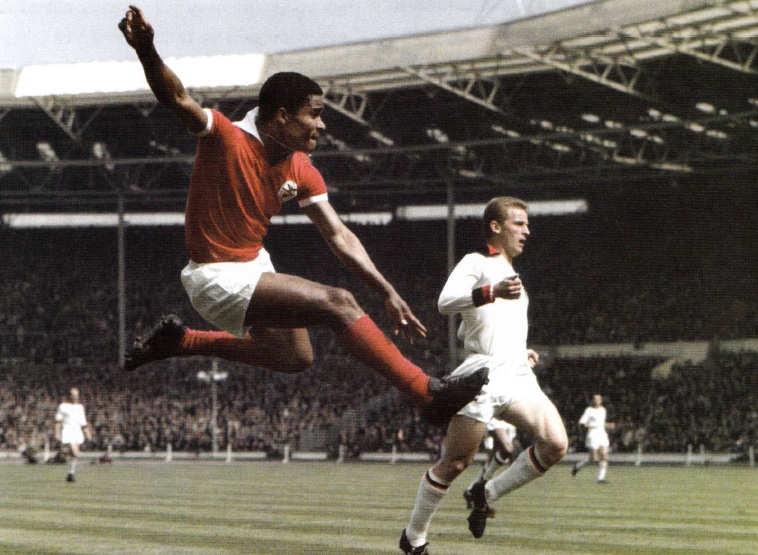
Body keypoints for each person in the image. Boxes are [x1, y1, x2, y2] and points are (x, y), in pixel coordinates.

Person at [117, 6, 485, 426]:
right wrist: (146, 49)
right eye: (314, 113)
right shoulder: (225, 137)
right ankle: (425, 393)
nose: (322, 125)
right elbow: (178, 98)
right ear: (281, 116)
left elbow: (339, 236)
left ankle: (183, 341)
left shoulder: (300, 167)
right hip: (215, 276)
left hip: (253, 266)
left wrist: (386, 290)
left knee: (296, 357)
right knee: (339, 303)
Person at [399, 196, 568, 555]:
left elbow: (495, 326)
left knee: (555, 444)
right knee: (456, 463)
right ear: (496, 226)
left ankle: (485, 493)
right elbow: (445, 303)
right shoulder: (476, 262)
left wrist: (522, 351)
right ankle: (413, 537)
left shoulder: (516, 280)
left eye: (527, 224)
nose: (527, 231)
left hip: (517, 373)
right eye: (519, 223)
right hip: (483, 374)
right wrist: (491, 291)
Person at [462, 418, 521, 510]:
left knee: (501, 453)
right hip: (494, 415)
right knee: (507, 448)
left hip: (507, 417)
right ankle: (481, 486)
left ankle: (471, 490)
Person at [572, 393, 615, 483]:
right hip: (593, 434)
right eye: (595, 399)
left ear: (601, 401)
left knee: (604, 455)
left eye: (598, 399)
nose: (597, 401)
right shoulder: (589, 410)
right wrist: (589, 426)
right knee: (593, 458)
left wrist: (608, 425)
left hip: (602, 434)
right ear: (592, 400)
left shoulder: (603, 410)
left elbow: (601, 423)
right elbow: (581, 423)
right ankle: (578, 466)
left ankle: (601, 478)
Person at [54, 387, 92, 482]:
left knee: (75, 454)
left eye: (76, 395)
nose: (75, 397)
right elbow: (58, 420)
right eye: (73, 395)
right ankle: (61, 453)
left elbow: (83, 422)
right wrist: (57, 432)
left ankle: (70, 473)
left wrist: (87, 433)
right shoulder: (63, 406)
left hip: (77, 431)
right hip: (68, 430)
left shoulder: (80, 407)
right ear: (69, 396)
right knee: (74, 452)